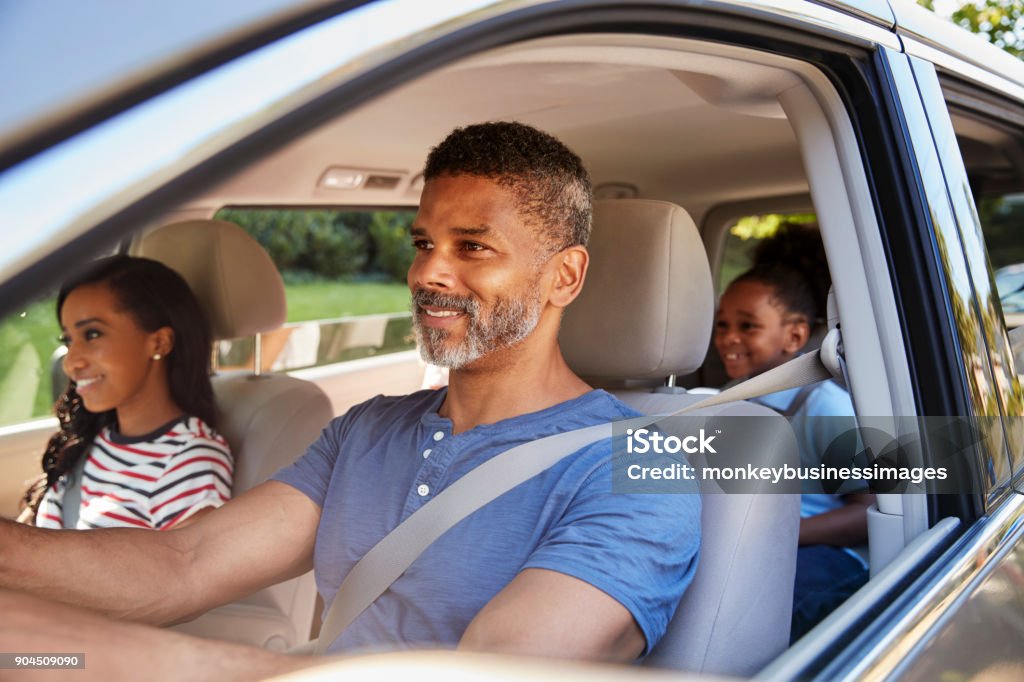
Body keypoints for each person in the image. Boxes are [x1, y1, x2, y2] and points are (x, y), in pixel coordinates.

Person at [0, 122, 700, 678]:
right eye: (423, 242)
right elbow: (184, 564)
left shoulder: (645, 467)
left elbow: (490, 670)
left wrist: (132, 662)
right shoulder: (368, 428)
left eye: (473, 247)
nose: (428, 271)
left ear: (564, 278)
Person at [713, 227, 873, 642]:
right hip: (746, 546)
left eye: (748, 326)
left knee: (747, 622)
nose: (728, 338)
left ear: (796, 336)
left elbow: (867, 510)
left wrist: (784, 535)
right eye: (722, 324)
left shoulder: (824, 407)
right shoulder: (728, 399)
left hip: (824, 554)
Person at [19, 255, 232, 531]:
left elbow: (183, 571)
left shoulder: (190, 462)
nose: (71, 363)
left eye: (92, 335)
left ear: (159, 342)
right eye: (68, 340)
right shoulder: (92, 438)